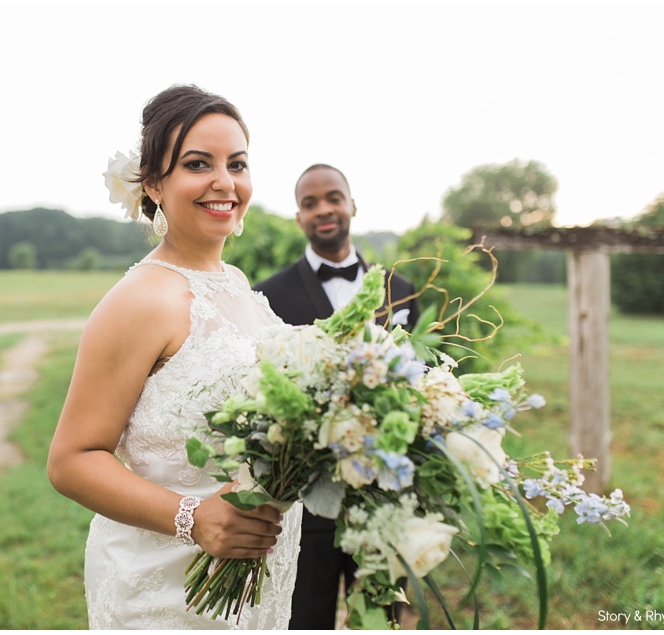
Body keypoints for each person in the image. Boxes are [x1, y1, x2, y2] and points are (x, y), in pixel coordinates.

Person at [47, 85, 302, 630]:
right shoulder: (140, 300)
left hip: (255, 588)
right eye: (197, 164)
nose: (224, 183)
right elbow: (72, 460)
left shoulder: (233, 282)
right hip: (170, 594)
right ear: (155, 185)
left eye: (237, 164)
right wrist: (194, 518)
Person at [254, 163, 419, 630]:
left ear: (351, 205)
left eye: (332, 198)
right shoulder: (267, 296)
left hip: (384, 497)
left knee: (383, 618)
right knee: (304, 619)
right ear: (298, 218)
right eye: (309, 203)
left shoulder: (401, 291)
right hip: (304, 504)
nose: (323, 210)